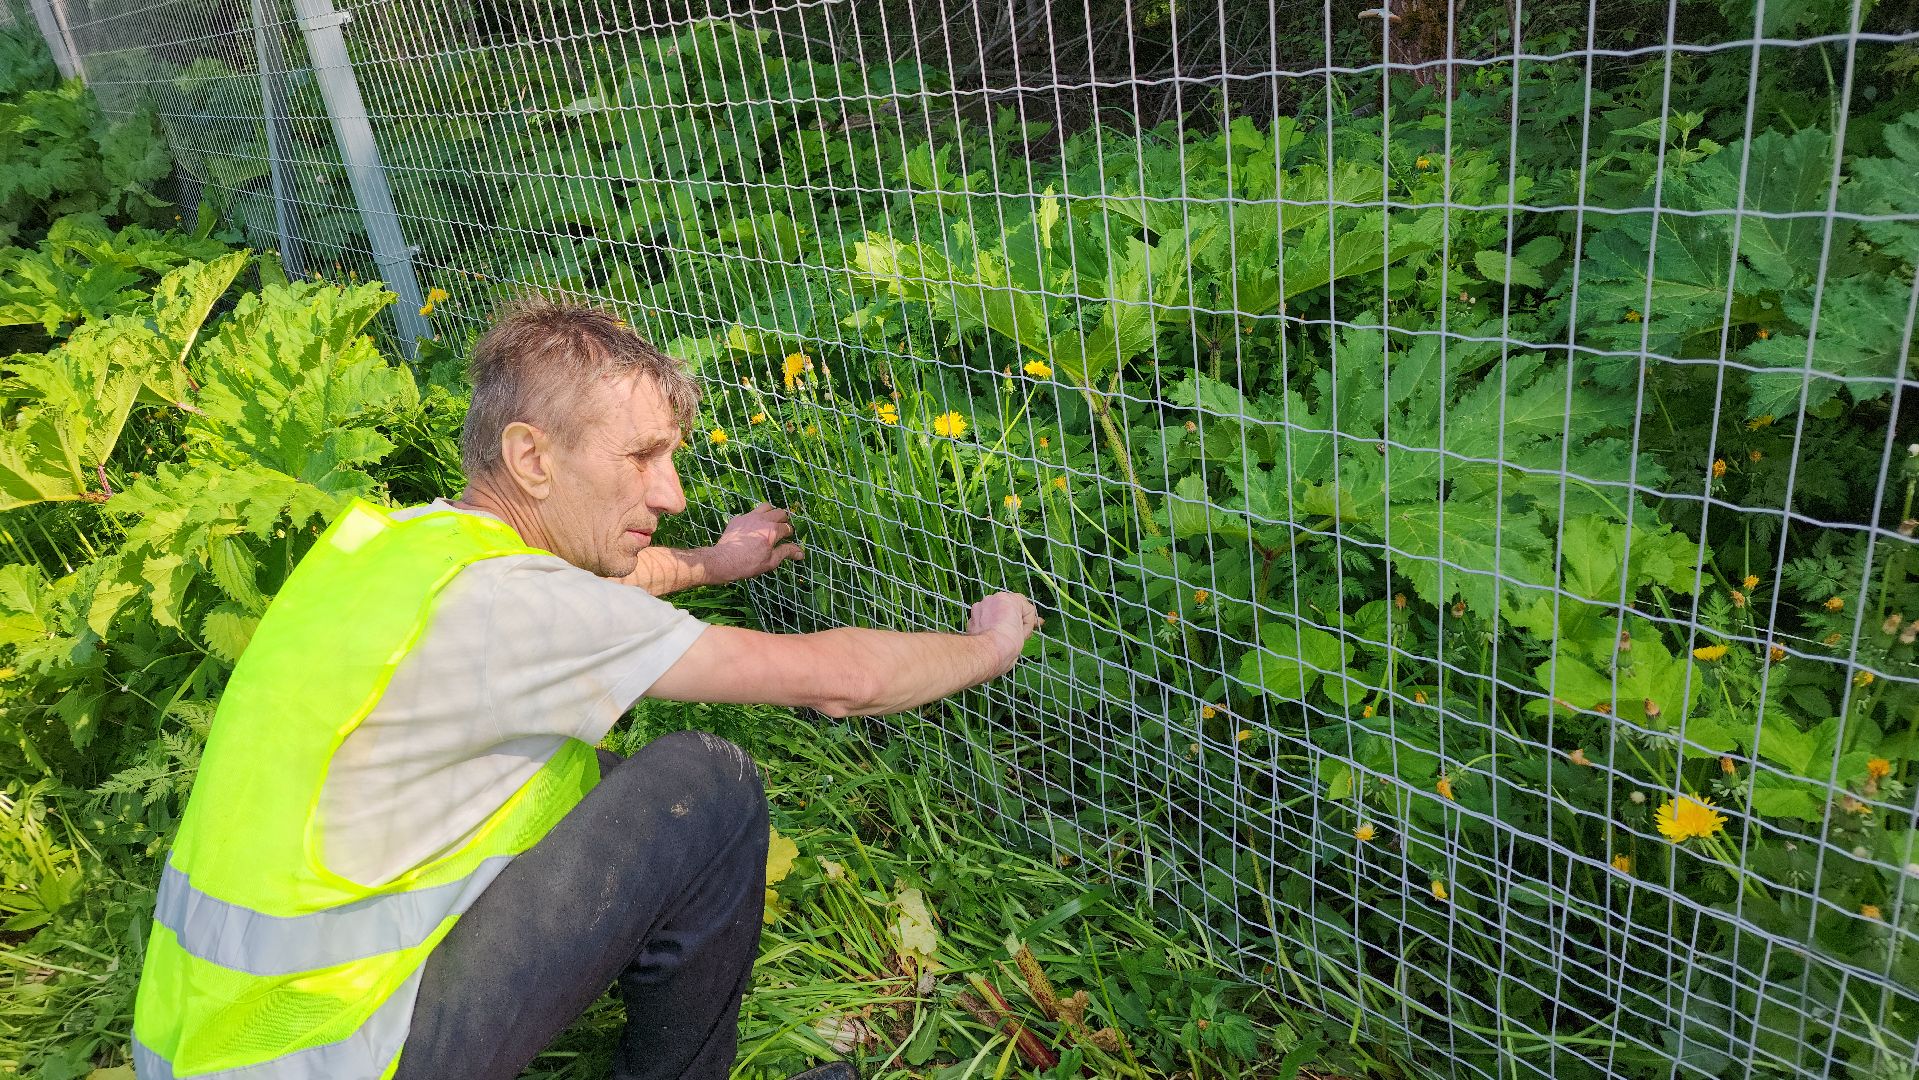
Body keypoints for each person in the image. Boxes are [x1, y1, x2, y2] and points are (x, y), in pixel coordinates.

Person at [129, 298, 1041, 1080]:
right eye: (642, 457)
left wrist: (714, 564)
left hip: (210, 1043)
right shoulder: (513, 609)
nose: (672, 491)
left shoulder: (397, 544)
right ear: (533, 458)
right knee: (704, 789)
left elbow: (575, 605)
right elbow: (845, 682)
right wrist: (992, 645)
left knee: (587, 776)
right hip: (338, 1053)